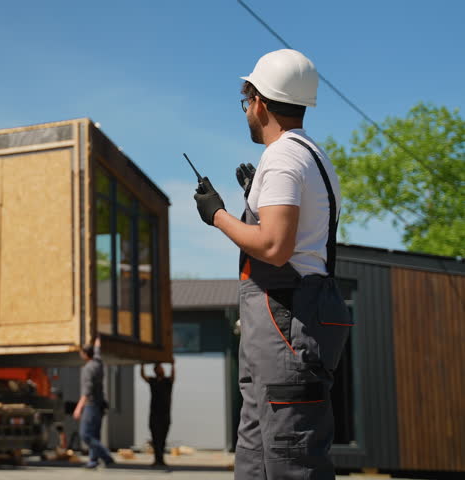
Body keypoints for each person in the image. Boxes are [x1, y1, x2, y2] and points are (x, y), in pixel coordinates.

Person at [192, 49, 352, 480]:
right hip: (292, 315)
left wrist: (218, 215)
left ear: (260, 101)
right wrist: (254, 199)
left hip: (286, 319)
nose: (246, 110)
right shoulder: (311, 155)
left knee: (289, 454)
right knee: (258, 448)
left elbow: (276, 247)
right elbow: (300, 239)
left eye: (247, 101)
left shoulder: (282, 157)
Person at [73, 336, 114, 469]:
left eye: (81, 352)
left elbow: (87, 391)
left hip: (91, 405)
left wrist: (78, 408)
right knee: (95, 433)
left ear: (85, 354)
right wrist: (97, 343)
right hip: (100, 404)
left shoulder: (88, 369)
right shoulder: (98, 362)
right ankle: (93, 460)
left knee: (85, 434)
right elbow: (97, 352)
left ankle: (106, 456)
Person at [140, 362, 175, 467]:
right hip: (154, 415)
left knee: (163, 439)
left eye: (162, 368)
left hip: (165, 415)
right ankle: (157, 460)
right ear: (156, 371)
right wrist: (142, 365)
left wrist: (173, 365)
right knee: (155, 438)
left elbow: (173, 376)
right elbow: (143, 376)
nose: (162, 369)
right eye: (159, 368)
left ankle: (161, 460)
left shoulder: (167, 381)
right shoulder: (153, 381)